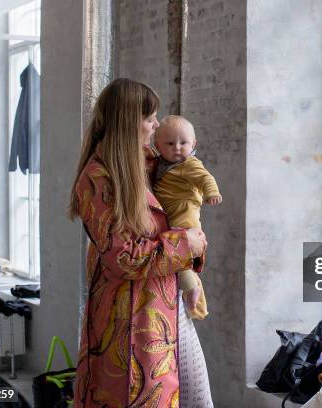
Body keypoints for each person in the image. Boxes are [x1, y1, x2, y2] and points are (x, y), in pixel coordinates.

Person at [69, 78, 210, 407]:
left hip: (165, 303)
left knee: (198, 398)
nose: (156, 125)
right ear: (128, 121)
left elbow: (183, 200)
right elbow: (125, 258)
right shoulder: (98, 178)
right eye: (149, 118)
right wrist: (186, 244)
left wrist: (189, 267)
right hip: (129, 320)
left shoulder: (147, 163)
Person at [153, 115, 222, 320]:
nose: (177, 148)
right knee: (180, 257)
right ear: (157, 145)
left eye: (184, 143)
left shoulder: (189, 163)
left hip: (184, 215)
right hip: (173, 214)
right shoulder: (159, 164)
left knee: (180, 256)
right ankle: (192, 291)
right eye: (170, 143)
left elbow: (204, 177)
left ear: (194, 144)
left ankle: (192, 291)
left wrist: (211, 192)